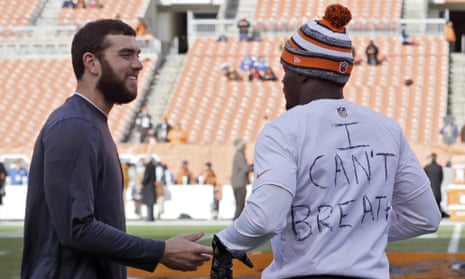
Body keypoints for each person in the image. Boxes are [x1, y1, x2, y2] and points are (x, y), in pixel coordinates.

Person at [210, 4, 440, 279]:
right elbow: (425, 217)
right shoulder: (387, 128)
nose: (283, 83)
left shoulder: (283, 130)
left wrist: (227, 242)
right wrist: (356, 230)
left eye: (286, 72)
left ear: (303, 72)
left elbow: (264, 219)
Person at [21, 19, 212, 279]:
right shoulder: (75, 125)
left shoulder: (90, 122)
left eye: (138, 54)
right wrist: (161, 251)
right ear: (91, 63)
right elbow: (76, 228)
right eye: (126, 54)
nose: (138, 64)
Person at [230, 139, 253, 220]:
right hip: (239, 183)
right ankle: (237, 219)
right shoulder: (239, 155)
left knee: (239, 203)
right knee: (240, 203)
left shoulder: (238, 155)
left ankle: (237, 219)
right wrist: (255, 166)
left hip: (237, 183)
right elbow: (245, 168)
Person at [424, 153, 447, 218]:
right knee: (437, 205)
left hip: (429, 191)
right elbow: (441, 179)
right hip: (437, 191)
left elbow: (424, 179)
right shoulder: (439, 168)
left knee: (430, 207)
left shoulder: (426, 168)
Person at [141, 155, 157, 221]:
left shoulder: (148, 167)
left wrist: (143, 182)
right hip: (151, 186)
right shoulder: (153, 166)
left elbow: (146, 177)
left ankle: (149, 217)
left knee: (148, 202)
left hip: (148, 187)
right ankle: (151, 216)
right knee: (151, 203)